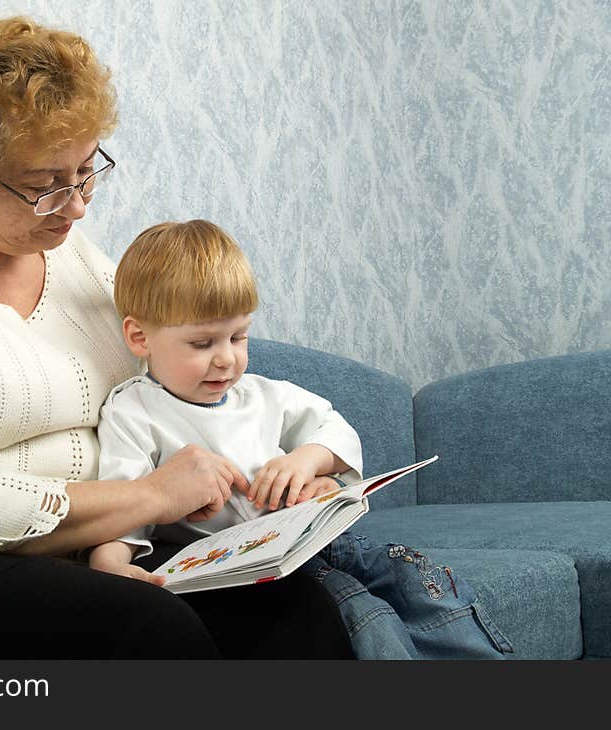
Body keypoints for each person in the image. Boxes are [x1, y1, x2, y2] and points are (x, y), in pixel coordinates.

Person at [0, 13, 354, 659]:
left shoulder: (77, 258)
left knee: (291, 602)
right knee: (143, 625)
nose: (78, 206)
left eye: (86, 171)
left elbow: (171, 400)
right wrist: (146, 496)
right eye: (42, 187)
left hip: (84, 558)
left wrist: (278, 481)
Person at [89, 219, 514, 660]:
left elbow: (335, 430)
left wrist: (308, 462)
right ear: (140, 337)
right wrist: (110, 562)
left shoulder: (263, 394)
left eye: (238, 336)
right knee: (362, 616)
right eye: (202, 343)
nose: (227, 359)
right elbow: (125, 499)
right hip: (254, 566)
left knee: (424, 587)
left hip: (323, 538)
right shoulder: (133, 410)